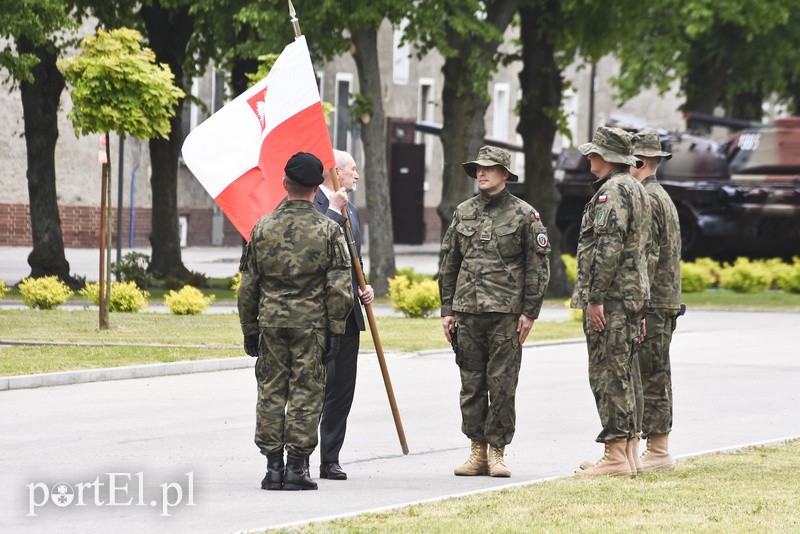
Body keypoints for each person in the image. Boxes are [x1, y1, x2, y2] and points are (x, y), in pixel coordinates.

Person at [238, 152, 354, 491]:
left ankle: (273, 468)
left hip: (271, 325)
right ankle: (297, 468)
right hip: (312, 327)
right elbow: (340, 288)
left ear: (285, 184)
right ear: (317, 186)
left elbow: (248, 287)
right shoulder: (329, 229)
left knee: (271, 391)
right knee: (306, 391)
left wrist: (250, 329)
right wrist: (335, 331)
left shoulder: (262, 228)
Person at [439, 145, 550, 478]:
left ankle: (498, 452)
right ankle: (477, 451)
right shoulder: (463, 212)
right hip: (467, 312)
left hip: (506, 314)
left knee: (501, 384)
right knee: (471, 384)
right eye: (477, 169)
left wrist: (529, 312)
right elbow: (449, 262)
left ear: (505, 174)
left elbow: (537, 266)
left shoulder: (525, 215)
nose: (481, 173)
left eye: (487, 168)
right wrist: (448, 309)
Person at [571, 126, 651, 478]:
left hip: (613, 297)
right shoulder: (635, 187)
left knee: (607, 373)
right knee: (623, 372)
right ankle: (628, 452)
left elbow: (609, 247)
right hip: (630, 295)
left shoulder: (612, 192)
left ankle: (615, 454)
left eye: (594, 152)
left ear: (607, 158)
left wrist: (595, 298)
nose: (589, 157)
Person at [313, 149, 375, 481]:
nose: (357, 175)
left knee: (342, 390)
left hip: (349, 313)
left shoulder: (352, 209)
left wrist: (364, 287)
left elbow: (355, 259)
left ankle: (330, 458)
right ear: (335, 171)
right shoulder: (313, 205)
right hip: (320, 314)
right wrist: (333, 211)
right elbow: (313, 245)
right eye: (352, 169)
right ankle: (299, 457)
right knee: (317, 386)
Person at [630, 130, 682, 471]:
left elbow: (646, 255)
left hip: (653, 302)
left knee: (650, 373)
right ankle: (650, 449)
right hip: (664, 300)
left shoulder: (647, 198)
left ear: (640, 162)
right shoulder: (661, 195)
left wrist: (640, 307)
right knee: (656, 370)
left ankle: (658, 450)